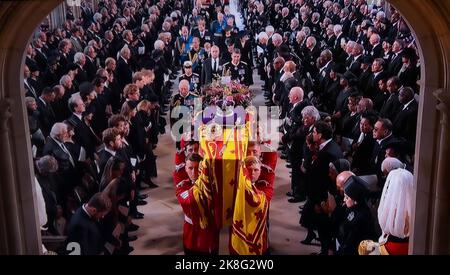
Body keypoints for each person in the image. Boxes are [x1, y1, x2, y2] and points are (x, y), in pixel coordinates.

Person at [336, 176, 376, 255]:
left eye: (347, 198)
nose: (344, 200)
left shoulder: (362, 217)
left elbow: (351, 244)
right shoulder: (353, 208)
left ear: (355, 201)